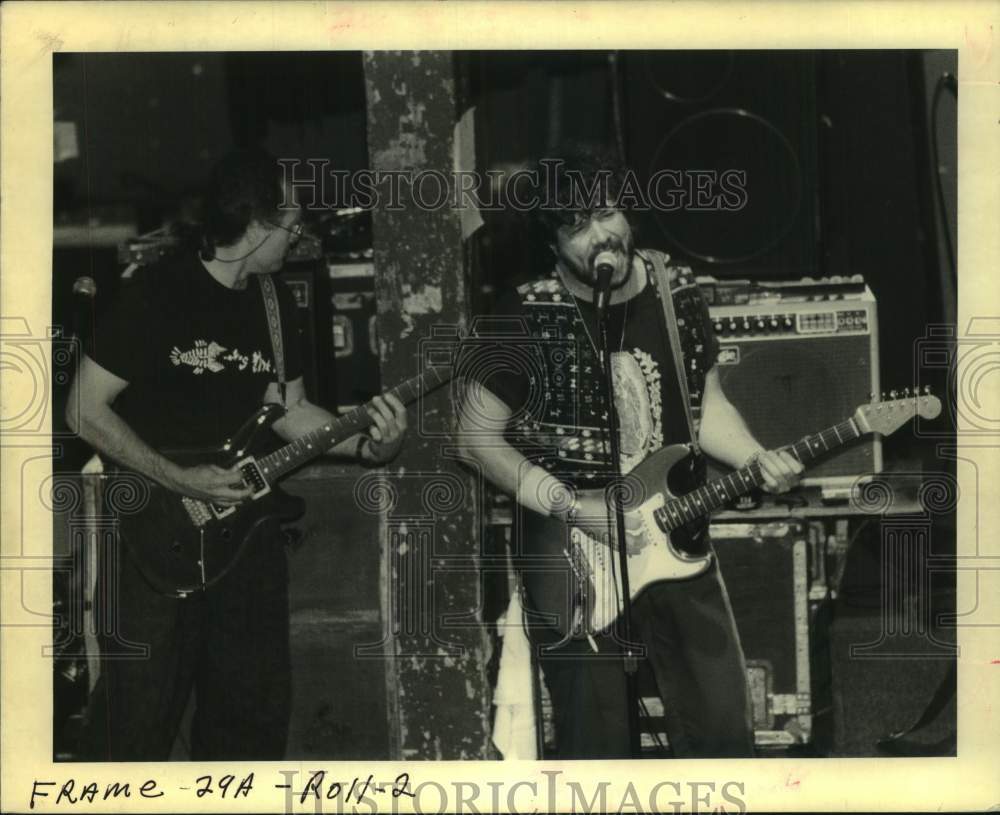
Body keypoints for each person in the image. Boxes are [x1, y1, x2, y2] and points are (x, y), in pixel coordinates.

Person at [456, 147, 803, 759]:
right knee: (599, 745)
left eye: (607, 213)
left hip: (675, 537)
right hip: (571, 554)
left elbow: (706, 407)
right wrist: (566, 503)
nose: (600, 236)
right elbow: (474, 437)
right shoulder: (524, 313)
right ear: (552, 241)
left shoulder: (676, 291)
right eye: (576, 226)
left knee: (724, 732)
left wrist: (755, 455)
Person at [66, 147, 408, 761]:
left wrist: (368, 444)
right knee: (134, 723)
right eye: (293, 221)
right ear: (258, 225)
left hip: (246, 538)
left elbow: (290, 409)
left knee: (250, 720)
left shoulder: (275, 304)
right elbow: (83, 409)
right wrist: (181, 478)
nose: (298, 235)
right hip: (155, 531)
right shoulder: (156, 292)